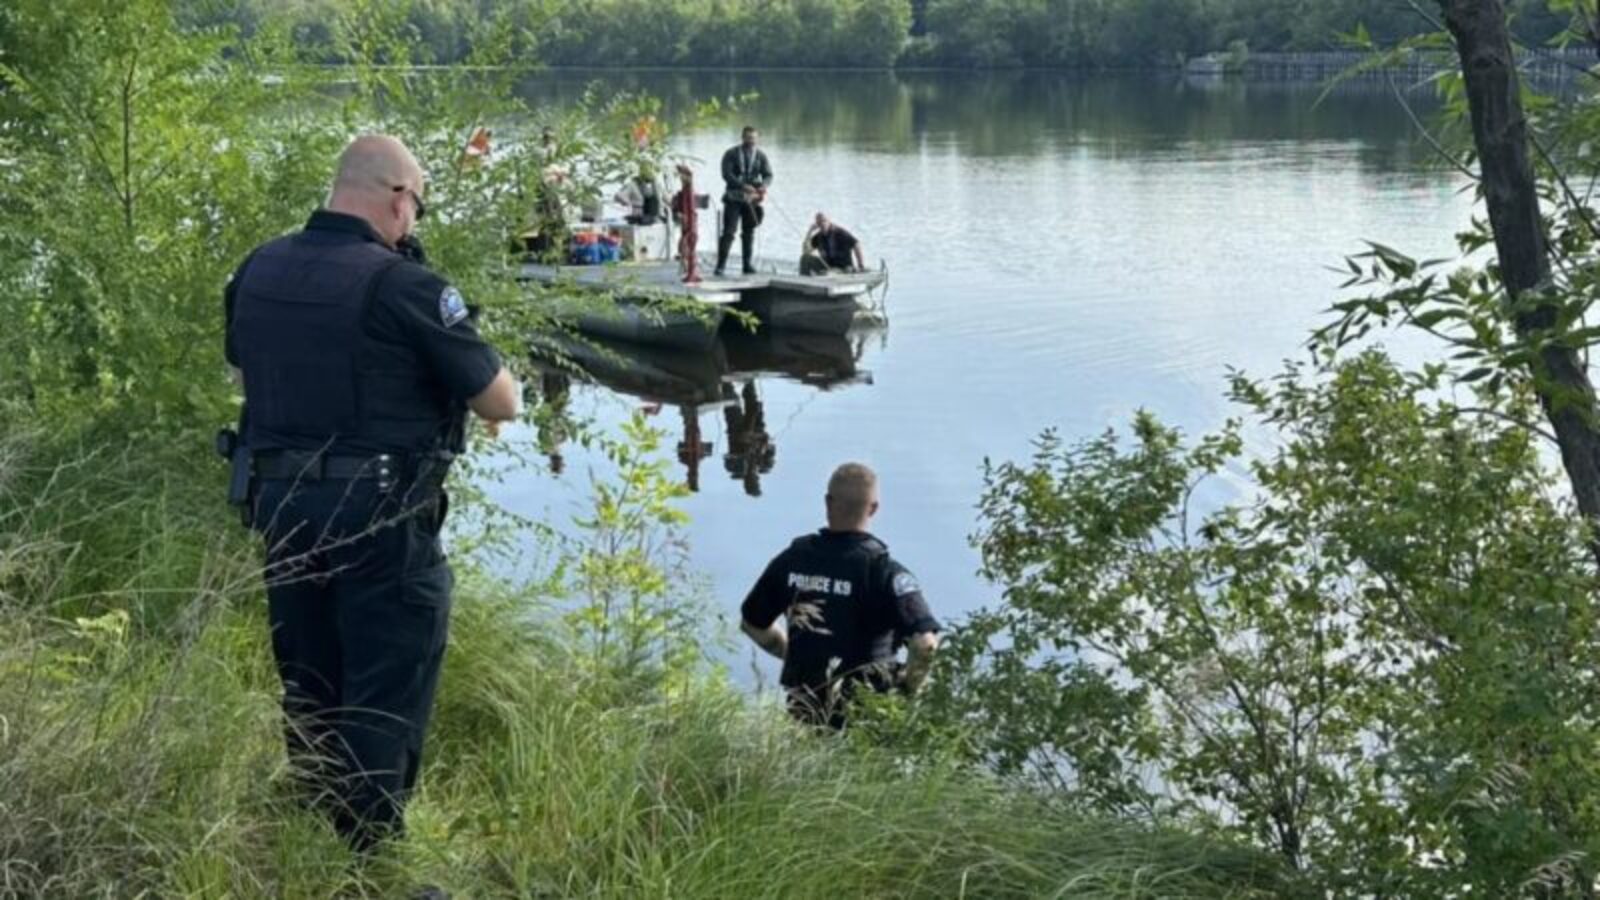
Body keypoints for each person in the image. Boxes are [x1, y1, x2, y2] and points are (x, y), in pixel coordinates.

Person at [223, 134, 519, 853]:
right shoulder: (405, 287)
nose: (413, 221)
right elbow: (499, 402)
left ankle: (314, 820)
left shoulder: (258, 267)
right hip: (381, 521)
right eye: (416, 204)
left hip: (282, 509)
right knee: (385, 685)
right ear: (396, 197)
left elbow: (245, 371)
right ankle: (369, 856)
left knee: (310, 672)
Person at [739, 463, 941, 729]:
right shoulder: (884, 572)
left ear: (827, 502)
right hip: (868, 716)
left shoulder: (792, 561)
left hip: (805, 711)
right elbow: (926, 645)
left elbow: (752, 623)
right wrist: (908, 690)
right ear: (873, 508)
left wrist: (793, 655)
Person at [715, 125, 773, 277]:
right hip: (733, 198)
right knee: (729, 232)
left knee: (749, 232)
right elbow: (726, 174)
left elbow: (768, 175)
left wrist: (763, 186)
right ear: (742, 138)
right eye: (748, 138)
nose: (751, 141)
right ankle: (720, 266)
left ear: (757, 139)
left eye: (753, 138)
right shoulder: (731, 154)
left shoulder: (760, 155)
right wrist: (742, 186)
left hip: (751, 200)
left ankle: (747, 265)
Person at [800, 212, 865, 276]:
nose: (822, 224)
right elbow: (805, 251)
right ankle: (804, 281)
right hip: (827, 266)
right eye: (819, 223)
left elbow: (856, 244)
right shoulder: (818, 237)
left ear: (829, 221)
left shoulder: (840, 233)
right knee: (805, 258)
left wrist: (860, 265)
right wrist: (810, 231)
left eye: (824, 221)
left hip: (843, 268)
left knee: (827, 274)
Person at [670, 163, 701, 283]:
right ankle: (690, 271)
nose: (680, 178)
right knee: (685, 246)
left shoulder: (689, 190)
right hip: (686, 219)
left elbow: (691, 207)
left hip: (689, 220)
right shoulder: (684, 190)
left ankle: (692, 272)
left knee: (688, 246)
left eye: (681, 175)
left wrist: (686, 217)